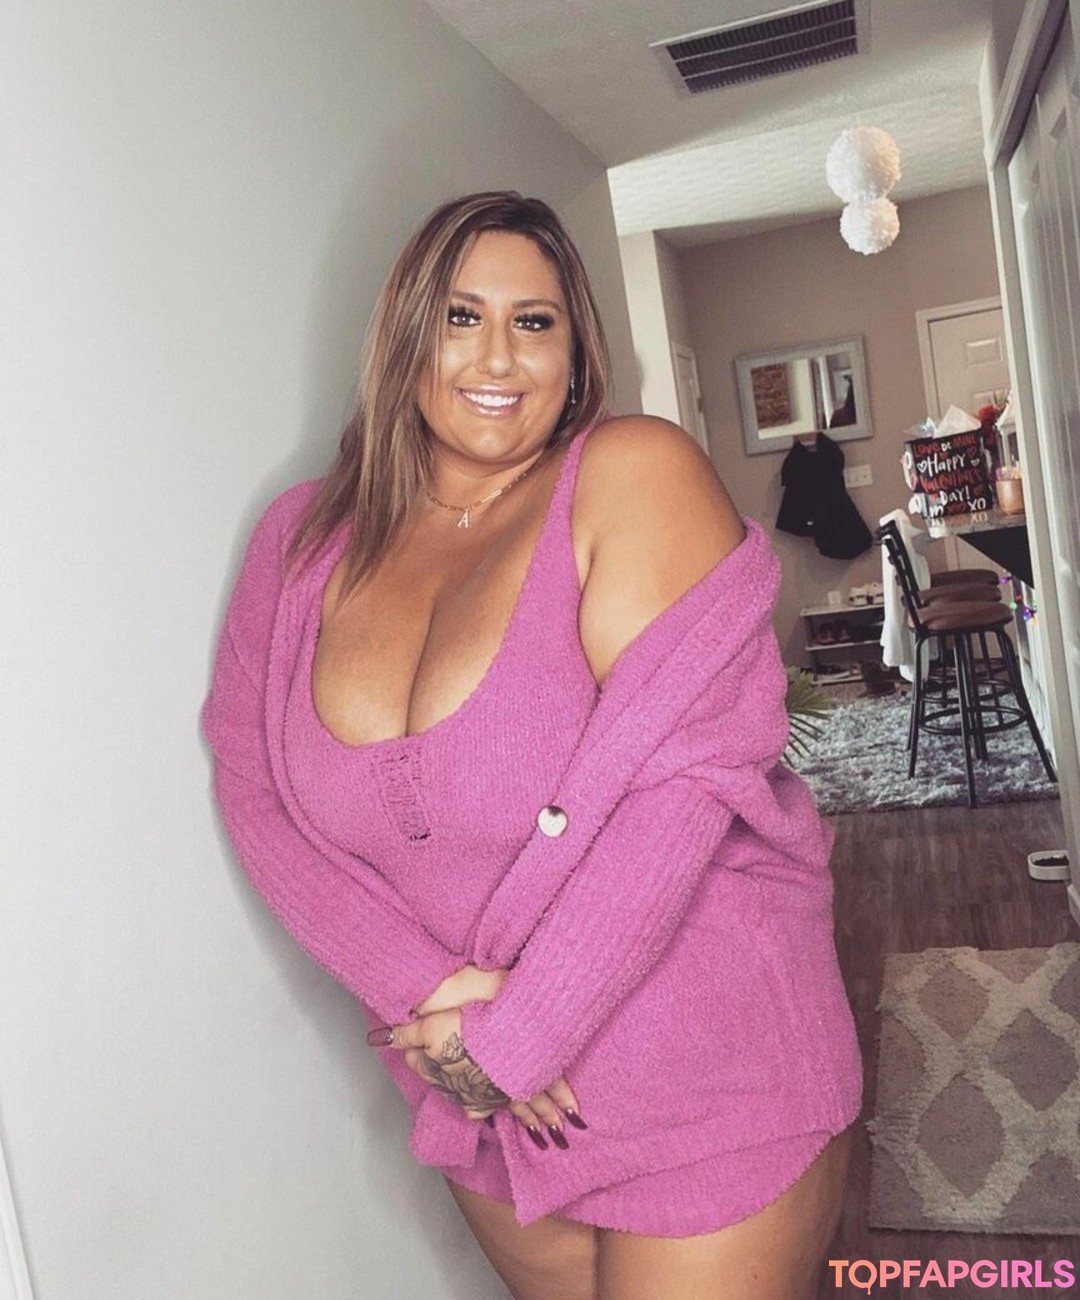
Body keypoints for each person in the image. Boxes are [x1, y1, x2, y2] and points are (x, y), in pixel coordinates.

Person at [202, 191, 862, 1299]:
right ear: (406, 337)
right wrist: (438, 1007)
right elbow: (256, 793)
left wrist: (519, 1037)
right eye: (461, 317)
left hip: (703, 1065)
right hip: (478, 1095)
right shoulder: (300, 541)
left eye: (535, 321)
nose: (498, 357)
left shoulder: (631, 474)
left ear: (575, 348)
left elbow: (686, 788)